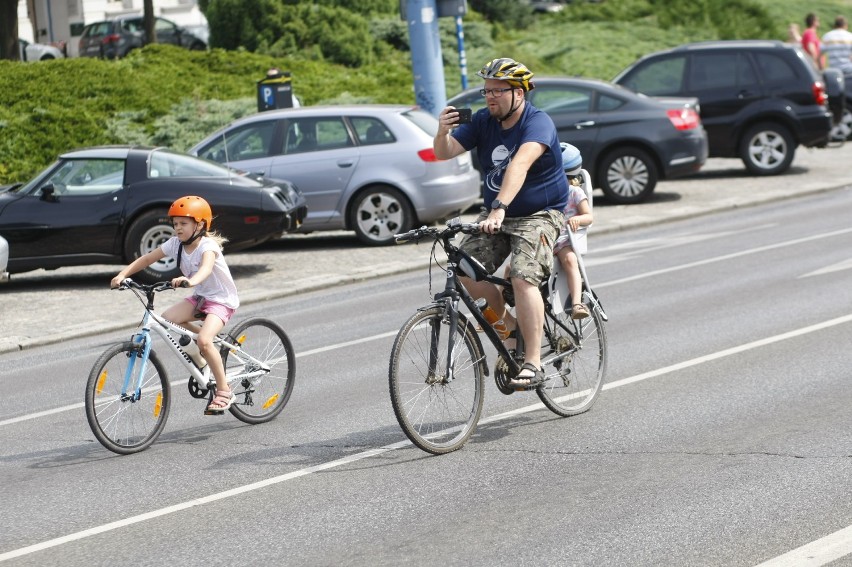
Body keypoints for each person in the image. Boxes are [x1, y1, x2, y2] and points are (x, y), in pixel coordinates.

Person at [434, 57, 569, 390]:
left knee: (524, 278)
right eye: (487, 91)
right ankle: (507, 327)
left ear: (519, 93)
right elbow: (444, 152)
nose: (490, 97)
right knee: (463, 269)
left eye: (498, 91)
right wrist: (441, 131)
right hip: (497, 214)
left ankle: (534, 363)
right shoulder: (483, 121)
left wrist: (499, 209)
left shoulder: (538, 123)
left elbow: (520, 165)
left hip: (540, 213)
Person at [110, 196, 240, 414]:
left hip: (221, 299)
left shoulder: (208, 246)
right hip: (201, 297)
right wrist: (122, 274)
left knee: (205, 341)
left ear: (200, 225)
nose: (177, 228)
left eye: (183, 223)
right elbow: (147, 259)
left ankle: (224, 391)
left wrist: (190, 281)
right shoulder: (175, 244)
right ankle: (205, 351)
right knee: (168, 319)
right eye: (175, 223)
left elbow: (206, 269)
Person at [553, 143, 593, 320]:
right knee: (512, 268)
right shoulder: (546, 192)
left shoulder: (574, 192)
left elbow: (588, 217)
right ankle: (500, 309)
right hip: (544, 238)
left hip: (563, 239)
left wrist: (577, 219)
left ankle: (577, 303)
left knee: (570, 260)